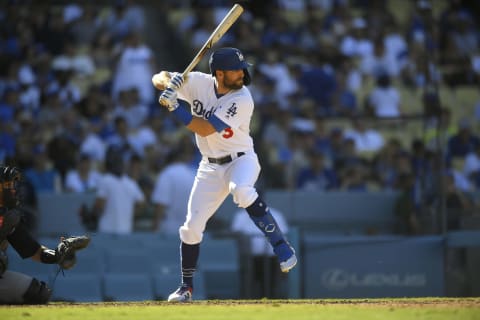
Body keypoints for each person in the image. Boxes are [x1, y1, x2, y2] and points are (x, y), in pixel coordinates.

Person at [152, 47, 297, 302]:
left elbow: (206, 129)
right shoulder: (198, 82)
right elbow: (157, 77)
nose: (242, 73)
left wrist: (175, 105)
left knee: (241, 191)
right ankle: (186, 288)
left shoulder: (242, 98)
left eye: (242, 68)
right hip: (209, 167)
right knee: (191, 228)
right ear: (219, 73)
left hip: (240, 160)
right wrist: (169, 81)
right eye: (236, 69)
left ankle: (281, 246)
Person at [0, 166, 90, 304]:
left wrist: (57, 254)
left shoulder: (9, 216)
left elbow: (33, 250)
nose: (13, 189)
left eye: (13, 185)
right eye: (7, 185)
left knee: (38, 292)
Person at [80, 146, 145, 234]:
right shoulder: (130, 183)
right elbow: (142, 204)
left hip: (107, 232)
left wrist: (88, 215)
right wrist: (127, 214)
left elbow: (99, 207)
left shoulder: (106, 180)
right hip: (125, 232)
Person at [231, 205, 289, 298]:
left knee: (271, 287)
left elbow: (283, 236)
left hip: (272, 259)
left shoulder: (276, 214)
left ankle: (272, 308)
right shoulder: (240, 215)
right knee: (249, 288)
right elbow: (235, 233)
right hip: (249, 258)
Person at [151, 137, 196, 235]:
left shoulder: (167, 174)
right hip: (190, 232)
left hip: (169, 231)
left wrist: (154, 230)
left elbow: (160, 205)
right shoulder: (194, 176)